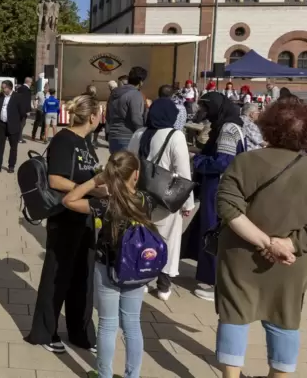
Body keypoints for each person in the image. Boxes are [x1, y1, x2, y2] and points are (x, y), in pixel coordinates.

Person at [214, 101, 307, 378]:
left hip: (240, 253)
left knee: (234, 315)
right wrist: (287, 245)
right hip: (291, 262)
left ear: (267, 127)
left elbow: (227, 207)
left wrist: (266, 243)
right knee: (285, 318)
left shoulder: (245, 161)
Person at [62, 151, 156, 378]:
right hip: (136, 270)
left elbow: (68, 200)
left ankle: (104, 374)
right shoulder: (146, 200)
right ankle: (132, 375)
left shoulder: (103, 204)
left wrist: (96, 180)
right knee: (132, 325)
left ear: (110, 175)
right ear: (136, 174)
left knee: (107, 325)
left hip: (108, 268)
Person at [25, 94, 102, 355]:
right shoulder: (63, 139)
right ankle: (44, 332)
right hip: (64, 216)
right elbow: (55, 180)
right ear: (92, 116)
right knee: (57, 276)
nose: (100, 118)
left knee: (83, 276)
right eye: (99, 113)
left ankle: (81, 332)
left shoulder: (87, 142)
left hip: (87, 217)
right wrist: (89, 189)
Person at [128, 99, 195, 301]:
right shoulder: (176, 137)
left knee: (142, 237)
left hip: (140, 196)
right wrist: (188, 204)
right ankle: (163, 285)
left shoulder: (139, 133)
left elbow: (129, 163)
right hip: (166, 199)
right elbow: (184, 174)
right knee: (168, 241)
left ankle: (142, 279)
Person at [184, 92, 246, 301]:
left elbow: (223, 162)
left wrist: (197, 161)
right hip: (219, 185)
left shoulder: (228, 128)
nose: (204, 111)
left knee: (213, 231)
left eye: (206, 107)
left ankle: (215, 281)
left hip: (219, 186)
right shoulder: (227, 124)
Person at [106, 66, 147, 153]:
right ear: (140, 81)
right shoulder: (135, 94)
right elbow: (136, 119)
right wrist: (143, 134)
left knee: (116, 165)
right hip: (128, 137)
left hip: (113, 136)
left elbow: (108, 116)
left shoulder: (114, 93)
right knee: (128, 165)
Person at [0, 80, 22, 173]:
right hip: (1, 124)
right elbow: (0, 107)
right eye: (2, 87)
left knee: (13, 147)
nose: (3, 89)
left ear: (10, 87)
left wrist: (16, 121)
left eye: (4, 88)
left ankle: (11, 166)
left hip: (13, 125)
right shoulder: (0, 96)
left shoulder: (17, 97)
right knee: (0, 146)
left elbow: (22, 111)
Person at [17, 77, 33, 144]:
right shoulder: (26, 90)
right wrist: (28, 111)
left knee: (20, 124)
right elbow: (26, 101)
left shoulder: (20, 88)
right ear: (28, 82)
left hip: (19, 109)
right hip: (23, 110)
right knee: (22, 124)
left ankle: (18, 137)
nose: (31, 84)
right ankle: (19, 138)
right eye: (31, 82)